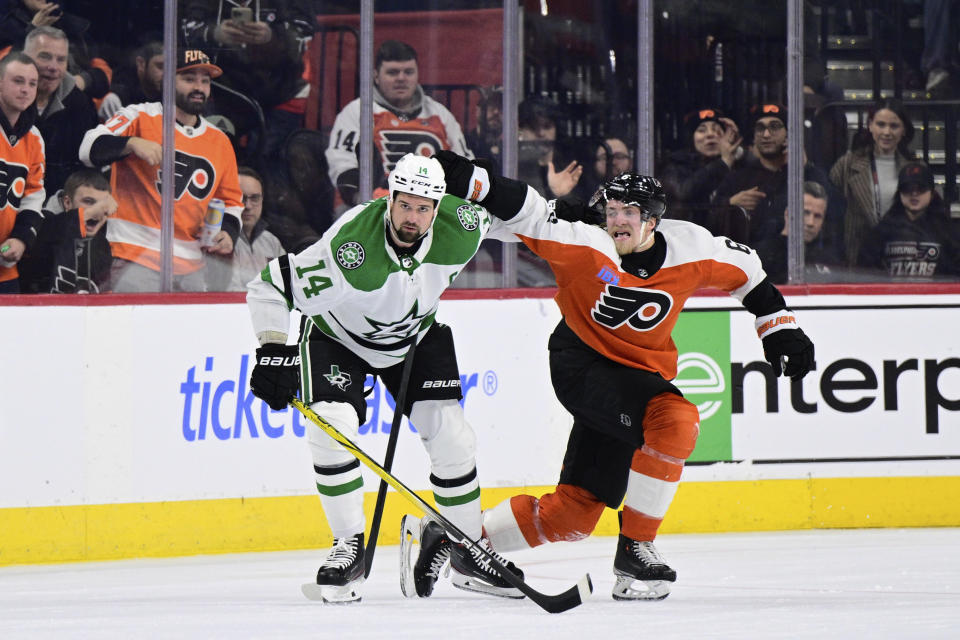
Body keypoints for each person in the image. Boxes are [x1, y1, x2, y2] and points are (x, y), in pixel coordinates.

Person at [415, 150, 815, 602]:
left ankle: (456, 538)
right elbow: (524, 209)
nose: (618, 221)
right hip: (581, 363)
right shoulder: (584, 242)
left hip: (636, 378)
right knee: (674, 420)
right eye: (611, 211)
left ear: (653, 221)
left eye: (630, 213)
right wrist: (468, 177)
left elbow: (749, 274)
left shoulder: (692, 248)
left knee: (573, 517)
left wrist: (779, 327)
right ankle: (636, 549)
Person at [244, 153, 523, 604]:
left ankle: (468, 550)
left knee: (453, 438)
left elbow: (518, 220)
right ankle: (348, 546)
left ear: (438, 207)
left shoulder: (462, 222)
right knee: (331, 427)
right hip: (340, 337)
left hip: (414, 335)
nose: (412, 218)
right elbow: (269, 287)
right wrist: (274, 350)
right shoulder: (350, 247)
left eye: (423, 208)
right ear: (388, 199)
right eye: (404, 205)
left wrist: (569, 221)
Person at [78, 48, 243, 292]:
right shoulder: (140, 116)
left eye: (205, 81)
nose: (198, 87)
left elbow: (231, 201)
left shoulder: (219, 140)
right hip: (134, 255)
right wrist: (130, 143)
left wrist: (228, 233)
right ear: (168, 82)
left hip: (192, 265)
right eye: (189, 79)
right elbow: (88, 148)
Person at [325, 40, 473, 210]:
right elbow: (343, 168)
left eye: (408, 72)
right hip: (371, 210)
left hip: (434, 209)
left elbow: (466, 165)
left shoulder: (440, 114)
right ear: (376, 76)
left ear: (418, 75)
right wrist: (372, 199)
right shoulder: (358, 111)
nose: (401, 78)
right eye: (393, 72)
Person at [181, 0, 316, 159]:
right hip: (220, 93)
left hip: (281, 92)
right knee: (214, 158)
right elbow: (181, 32)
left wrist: (271, 38)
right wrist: (214, 33)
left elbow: (305, 32)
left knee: (267, 162)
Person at [712, 103, 833, 246]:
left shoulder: (807, 173)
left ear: (789, 134)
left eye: (775, 127)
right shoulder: (738, 178)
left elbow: (834, 211)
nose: (766, 134)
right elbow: (710, 223)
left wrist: (805, 168)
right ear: (754, 136)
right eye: (760, 128)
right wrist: (731, 205)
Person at [829, 98, 914, 267]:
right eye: (881, 124)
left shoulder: (914, 168)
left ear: (903, 130)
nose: (887, 132)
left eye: (894, 126)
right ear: (870, 126)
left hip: (902, 256)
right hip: (856, 256)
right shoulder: (847, 164)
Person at [22, 25, 98, 195]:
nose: (53, 67)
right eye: (45, 57)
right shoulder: (5, 99)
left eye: (61, 60)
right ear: (24, 58)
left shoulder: (80, 104)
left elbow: (86, 168)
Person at [858, 161, 960, 281]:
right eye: (907, 189)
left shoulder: (948, 232)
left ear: (932, 193)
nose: (914, 194)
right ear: (899, 193)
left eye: (920, 188)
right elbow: (865, 272)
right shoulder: (882, 231)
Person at [24, 168, 116, 293]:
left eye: (103, 206)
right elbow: (56, 227)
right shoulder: (43, 226)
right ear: (67, 202)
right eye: (89, 202)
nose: (98, 210)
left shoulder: (103, 244)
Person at [0, 51, 44, 294]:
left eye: (32, 83)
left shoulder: (35, 138)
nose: (26, 89)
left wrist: (21, 238)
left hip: (4, 270)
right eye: (18, 81)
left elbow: (33, 197)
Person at [658, 107, 744, 226]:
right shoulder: (675, 165)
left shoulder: (737, 164)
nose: (710, 135)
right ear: (692, 138)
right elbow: (683, 193)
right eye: (702, 130)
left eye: (717, 130)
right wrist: (723, 163)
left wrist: (737, 146)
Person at [206, 166, 284, 291]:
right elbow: (228, 293)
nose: (247, 206)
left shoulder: (272, 242)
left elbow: (287, 284)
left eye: (255, 198)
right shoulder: (219, 239)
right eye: (240, 198)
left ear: (262, 200)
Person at [754, 181, 843, 284]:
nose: (811, 222)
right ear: (788, 213)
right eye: (805, 213)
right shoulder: (760, 257)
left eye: (818, 216)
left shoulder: (829, 260)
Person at [98, 40, 163, 120]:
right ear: (141, 64)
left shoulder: (170, 100)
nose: (168, 74)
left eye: (172, 68)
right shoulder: (115, 100)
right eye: (160, 66)